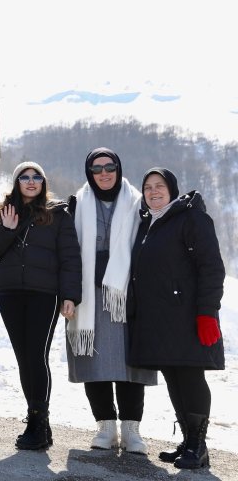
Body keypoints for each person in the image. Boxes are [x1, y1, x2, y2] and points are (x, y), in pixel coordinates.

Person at [128, 168, 226, 470]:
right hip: (159, 320)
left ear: (172, 189)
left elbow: (211, 268)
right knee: (174, 377)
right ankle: (188, 440)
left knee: (190, 377)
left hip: (188, 316)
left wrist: (207, 313)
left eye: (159, 186)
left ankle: (199, 445)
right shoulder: (148, 224)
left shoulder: (191, 218)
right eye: (147, 187)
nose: (153, 192)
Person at [0, 161, 80, 450]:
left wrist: (70, 296)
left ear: (43, 182)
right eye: (24, 176)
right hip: (11, 293)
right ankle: (37, 423)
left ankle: (39, 422)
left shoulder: (58, 215)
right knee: (24, 358)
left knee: (37, 356)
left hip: (44, 294)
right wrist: (7, 229)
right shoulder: (4, 213)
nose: (30, 180)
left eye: (36, 176)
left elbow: (70, 258)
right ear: (16, 183)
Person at [66, 148, 156, 453]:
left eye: (109, 166)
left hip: (128, 294)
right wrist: (68, 294)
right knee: (95, 359)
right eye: (96, 168)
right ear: (89, 173)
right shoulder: (77, 203)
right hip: (89, 294)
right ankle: (105, 426)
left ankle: (132, 430)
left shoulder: (137, 201)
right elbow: (68, 253)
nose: (104, 173)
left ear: (118, 168)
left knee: (130, 361)